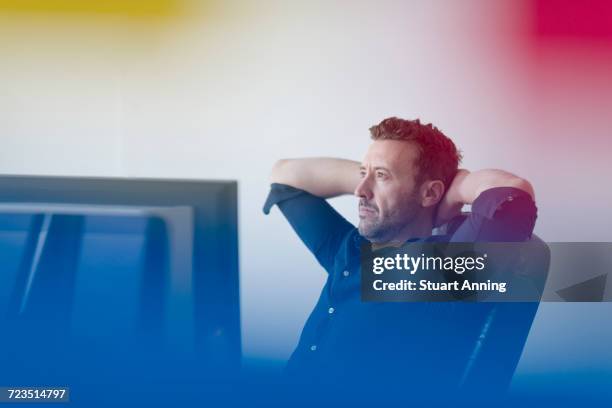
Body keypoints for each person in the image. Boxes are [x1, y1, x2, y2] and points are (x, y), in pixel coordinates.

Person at [263, 117, 538, 398]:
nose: (360, 191)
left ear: (431, 192)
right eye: (362, 174)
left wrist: (455, 189)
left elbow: (513, 193)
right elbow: (285, 175)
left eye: (381, 176)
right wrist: (374, 173)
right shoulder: (348, 247)